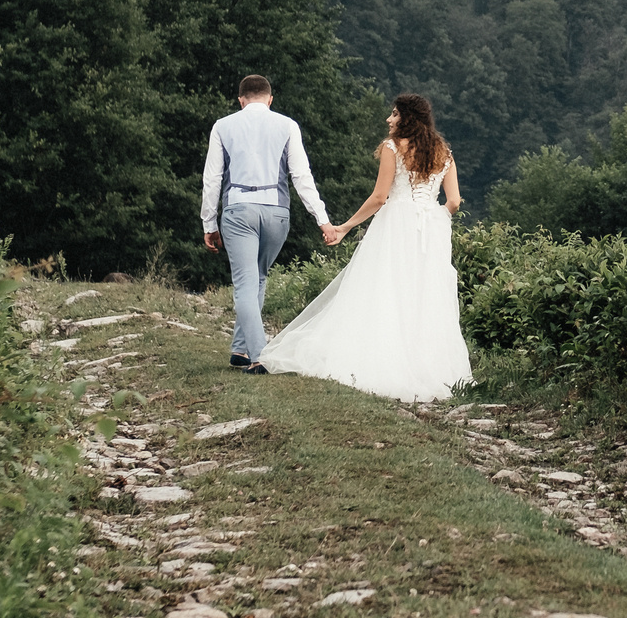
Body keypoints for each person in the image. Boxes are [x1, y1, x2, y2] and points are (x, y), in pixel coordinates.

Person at [259, 92, 473, 401]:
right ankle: (430, 369)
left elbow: (379, 197)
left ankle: (383, 359)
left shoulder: (392, 148)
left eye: (395, 114)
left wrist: (345, 227)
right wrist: (433, 216)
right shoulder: (444, 153)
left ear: (408, 118)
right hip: (432, 231)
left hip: (396, 226)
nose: (389, 119)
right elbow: (453, 201)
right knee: (423, 295)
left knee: (385, 289)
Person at [201, 74, 332, 375]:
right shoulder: (287, 125)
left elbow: (212, 179)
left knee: (246, 283)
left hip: (238, 209)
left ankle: (259, 356)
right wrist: (322, 220)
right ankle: (240, 348)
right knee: (257, 277)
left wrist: (209, 223)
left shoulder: (223, 126)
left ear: (241, 100)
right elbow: (301, 176)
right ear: (270, 99)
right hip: (276, 212)